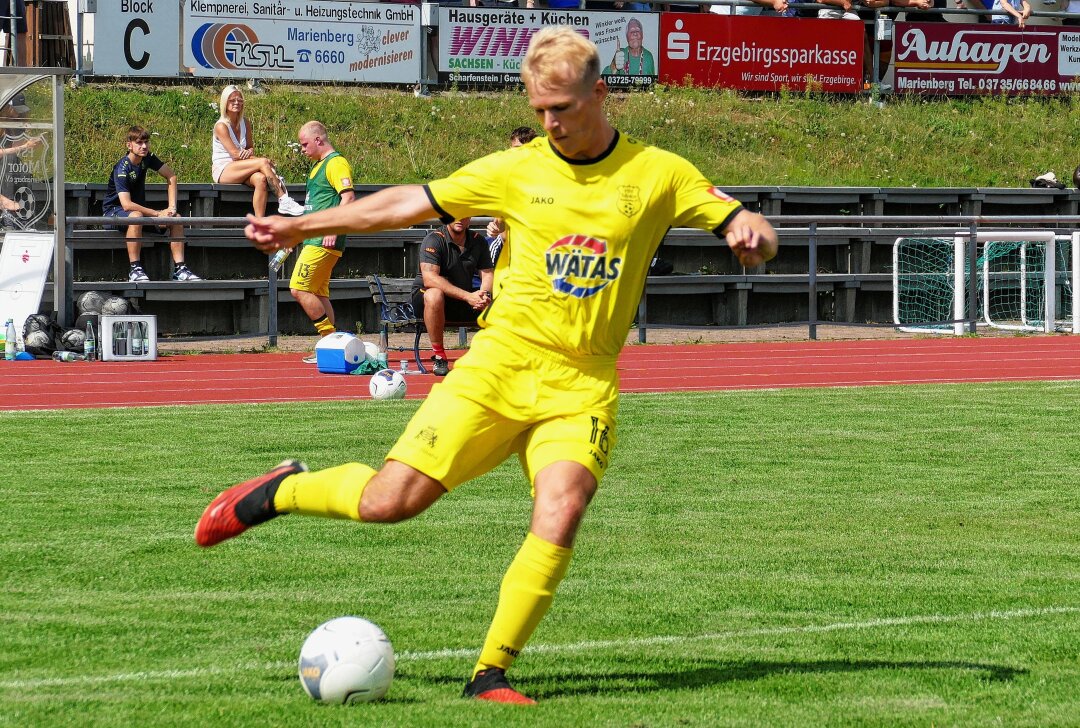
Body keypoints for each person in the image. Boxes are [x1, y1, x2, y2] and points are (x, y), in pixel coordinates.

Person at [195, 26, 777, 705]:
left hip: (582, 385)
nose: (551, 124)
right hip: (497, 368)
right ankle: (280, 490)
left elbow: (745, 223)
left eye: (562, 107)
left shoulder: (658, 173)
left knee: (563, 509)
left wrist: (752, 236)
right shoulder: (517, 169)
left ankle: (489, 675)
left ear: (602, 91)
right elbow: (408, 201)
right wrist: (297, 228)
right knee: (391, 503)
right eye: (539, 111)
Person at [290, 121, 355, 364]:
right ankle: (333, 348)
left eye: (305, 144)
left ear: (319, 140)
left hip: (323, 241)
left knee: (299, 288)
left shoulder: (335, 163)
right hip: (314, 238)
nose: (303, 149)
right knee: (318, 292)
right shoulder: (318, 166)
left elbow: (348, 198)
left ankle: (330, 339)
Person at [102, 126, 200, 282]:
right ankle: (135, 270)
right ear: (129, 145)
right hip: (113, 213)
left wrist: (171, 208)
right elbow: (126, 205)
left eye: (146, 142)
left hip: (139, 215)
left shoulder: (148, 158)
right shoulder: (122, 168)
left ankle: (180, 270)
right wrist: (156, 213)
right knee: (136, 216)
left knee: (177, 219)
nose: (144, 146)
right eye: (139, 143)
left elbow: (171, 176)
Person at [412, 217, 493, 376]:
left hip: (461, 300)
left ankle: (494, 356)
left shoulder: (479, 241)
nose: (460, 218)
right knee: (434, 294)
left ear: (470, 217)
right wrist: (469, 297)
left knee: (506, 302)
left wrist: (484, 295)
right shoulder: (434, 239)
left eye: (464, 214)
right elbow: (429, 279)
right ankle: (439, 356)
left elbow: (488, 273)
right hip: (425, 300)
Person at [212, 85, 305, 217]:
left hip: (241, 166)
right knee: (263, 163)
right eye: (232, 100)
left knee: (261, 179)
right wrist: (261, 161)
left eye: (239, 100)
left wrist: (250, 153)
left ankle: (259, 223)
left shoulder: (245, 122)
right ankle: (283, 199)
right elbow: (235, 154)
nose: (237, 103)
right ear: (224, 102)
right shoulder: (221, 126)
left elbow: (250, 147)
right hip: (224, 169)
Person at [485, 126, 538, 269]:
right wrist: (495, 227)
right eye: (515, 149)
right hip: (507, 244)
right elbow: (499, 221)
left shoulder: (544, 178)